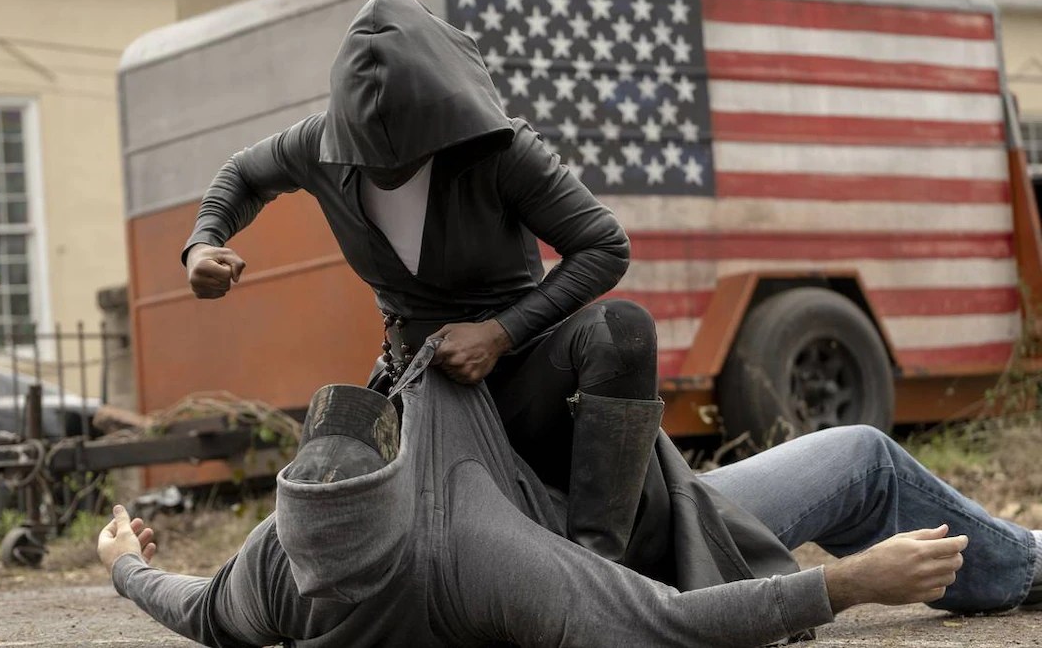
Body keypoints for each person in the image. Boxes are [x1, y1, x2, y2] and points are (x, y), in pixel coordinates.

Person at [99, 350, 1040, 647]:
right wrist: (849, 583)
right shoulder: (473, 550)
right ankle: (1025, 565)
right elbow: (669, 621)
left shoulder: (276, 564)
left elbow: (193, 608)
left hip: (575, 515)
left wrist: (124, 563)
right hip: (646, 552)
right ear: (394, 503)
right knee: (864, 459)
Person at [182, 0, 657, 563]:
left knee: (625, 328)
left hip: (516, 379)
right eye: (370, 150)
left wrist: (499, 333)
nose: (387, 166)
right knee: (323, 514)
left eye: (405, 153)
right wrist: (203, 242)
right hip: (415, 389)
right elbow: (242, 174)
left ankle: (598, 566)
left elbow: (604, 246)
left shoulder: (503, 151)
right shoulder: (317, 145)